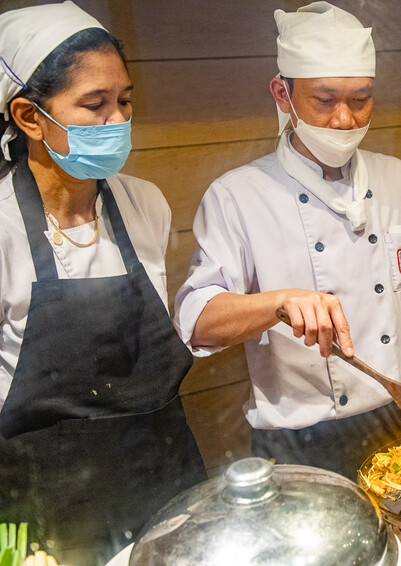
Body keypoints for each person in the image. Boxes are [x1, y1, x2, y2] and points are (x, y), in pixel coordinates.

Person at [174, 1, 401, 479]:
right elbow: (197, 320)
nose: (345, 119)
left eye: (361, 98)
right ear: (282, 94)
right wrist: (278, 303)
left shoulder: (399, 179)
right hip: (306, 441)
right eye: (325, 100)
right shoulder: (238, 196)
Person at [0, 3, 206, 564]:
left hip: (166, 484)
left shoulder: (146, 204)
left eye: (125, 101)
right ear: (29, 116)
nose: (118, 121)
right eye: (94, 105)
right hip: (43, 513)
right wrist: (13, 549)